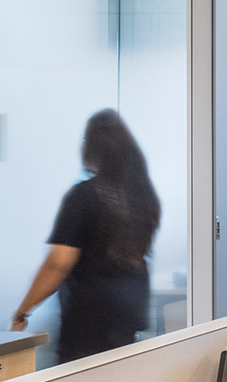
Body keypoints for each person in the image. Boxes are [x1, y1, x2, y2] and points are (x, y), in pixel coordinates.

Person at [10, 109, 159, 361]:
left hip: (90, 323)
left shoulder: (84, 196)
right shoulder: (144, 197)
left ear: (91, 148)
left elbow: (58, 262)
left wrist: (22, 312)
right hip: (129, 315)